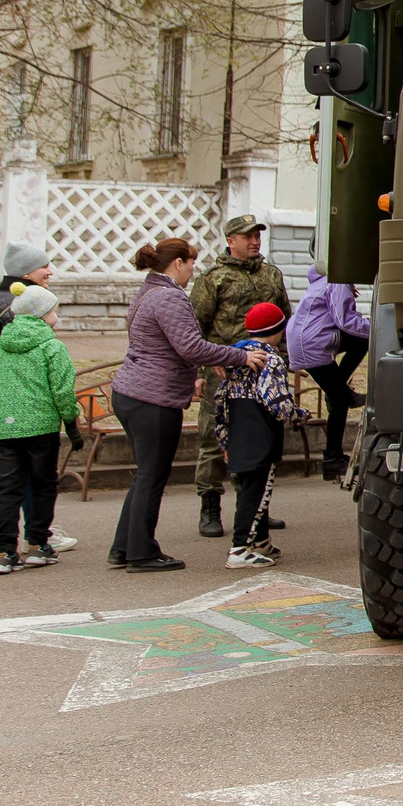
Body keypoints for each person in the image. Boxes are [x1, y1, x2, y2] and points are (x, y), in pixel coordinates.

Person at [111, 238, 260, 572]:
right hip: (153, 398)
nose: (193, 272)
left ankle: (125, 547)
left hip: (131, 392)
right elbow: (190, 346)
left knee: (144, 475)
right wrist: (240, 355)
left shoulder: (148, 291)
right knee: (152, 476)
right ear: (177, 263)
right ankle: (141, 553)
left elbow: (169, 345)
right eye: (191, 264)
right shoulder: (169, 297)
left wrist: (202, 366)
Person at [0, 243, 69, 563]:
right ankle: (38, 537)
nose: (50, 271)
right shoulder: (21, 306)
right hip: (13, 400)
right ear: (24, 272)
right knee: (27, 474)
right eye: (44, 266)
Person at [189, 217, 289, 538]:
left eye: (257, 235)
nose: (255, 241)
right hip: (223, 369)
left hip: (262, 370)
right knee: (214, 438)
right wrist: (199, 372)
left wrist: (283, 363)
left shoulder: (272, 275)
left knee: (258, 440)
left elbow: (282, 320)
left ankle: (255, 510)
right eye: (247, 236)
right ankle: (210, 506)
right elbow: (196, 328)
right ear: (230, 240)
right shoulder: (213, 279)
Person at [0, 286, 82, 575]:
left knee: (9, 489)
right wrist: (72, 424)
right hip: (41, 426)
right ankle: (38, 544)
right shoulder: (52, 347)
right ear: (42, 315)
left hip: (6, 427)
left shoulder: (1, 346)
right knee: (43, 485)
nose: (57, 315)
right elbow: (63, 391)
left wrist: (4, 416)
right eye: (53, 310)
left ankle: (4, 550)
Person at [214, 300, 304, 567]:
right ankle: (240, 549)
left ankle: (261, 540)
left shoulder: (233, 358)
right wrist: (298, 415)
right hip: (261, 431)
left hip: (237, 427)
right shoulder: (271, 359)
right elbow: (275, 401)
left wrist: (223, 437)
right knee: (258, 490)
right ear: (277, 330)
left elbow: (220, 400)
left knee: (248, 487)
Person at [286, 264, 370, 484]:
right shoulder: (338, 280)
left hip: (308, 340)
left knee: (338, 395)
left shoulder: (323, 280)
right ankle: (332, 460)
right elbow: (346, 321)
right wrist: (379, 327)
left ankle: (341, 392)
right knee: (339, 402)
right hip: (312, 345)